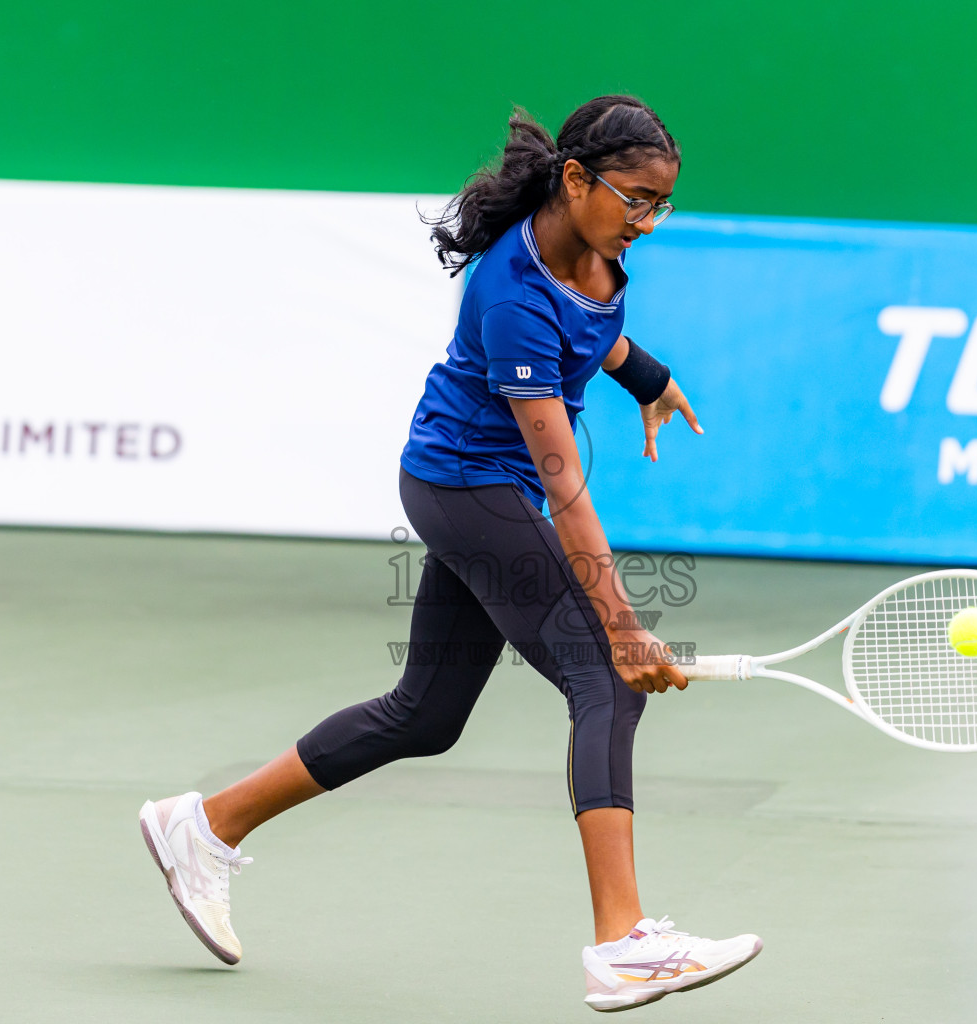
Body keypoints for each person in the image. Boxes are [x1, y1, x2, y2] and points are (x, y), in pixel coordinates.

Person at [137, 95, 761, 1013]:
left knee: (424, 714)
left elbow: (595, 332)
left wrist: (647, 378)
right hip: (468, 490)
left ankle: (204, 825)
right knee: (607, 680)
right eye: (635, 200)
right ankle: (623, 942)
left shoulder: (595, 251)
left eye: (661, 204)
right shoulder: (509, 295)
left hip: (472, 486)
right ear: (578, 180)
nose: (647, 222)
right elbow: (565, 488)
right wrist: (625, 627)